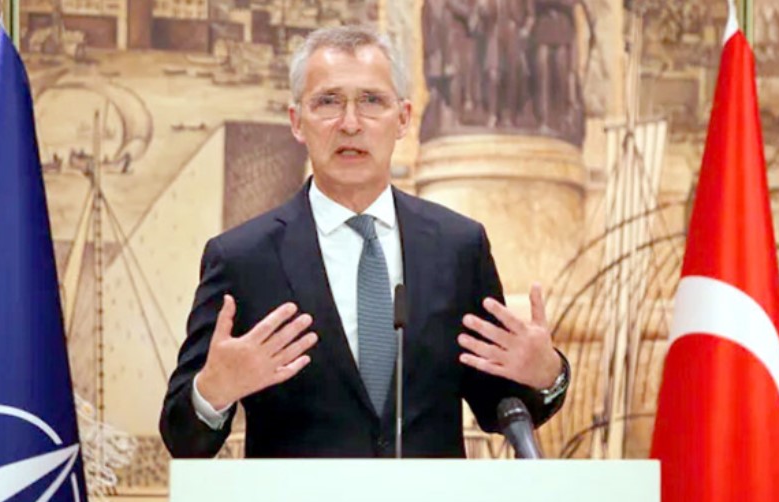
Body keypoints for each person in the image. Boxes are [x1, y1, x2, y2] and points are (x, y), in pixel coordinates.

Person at [159, 26, 569, 458]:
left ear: (403, 118)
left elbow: (498, 404)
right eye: (328, 102)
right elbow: (183, 438)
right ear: (297, 121)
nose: (350, 124)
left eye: (371, 101)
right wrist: (213, 392)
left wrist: (547, 374)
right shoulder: (243, 258)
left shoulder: (458, 247)